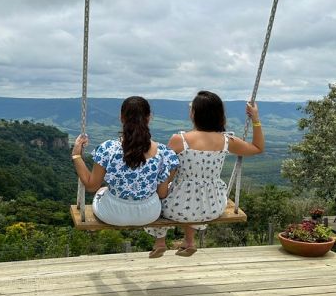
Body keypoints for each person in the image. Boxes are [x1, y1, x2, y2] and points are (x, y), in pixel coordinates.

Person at [145, 91, 264, 257]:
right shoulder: (226, 140)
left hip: (177, 208)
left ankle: (160, 241)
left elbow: (164, 174)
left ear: (194, 114)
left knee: (160, 194)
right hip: (212, 206)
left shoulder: (180, 140)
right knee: (194, 197)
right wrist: (255, 119)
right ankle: (189, 241)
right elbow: (258, 148)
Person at [72, 96, 179, 226]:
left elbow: (91, 186)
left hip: (112, 215)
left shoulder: (108, 149)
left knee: (101, 190)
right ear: (149, 118)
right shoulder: (163, 152)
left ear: (121, 118)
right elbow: (162, 194)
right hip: (149, 214)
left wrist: (76, 156)